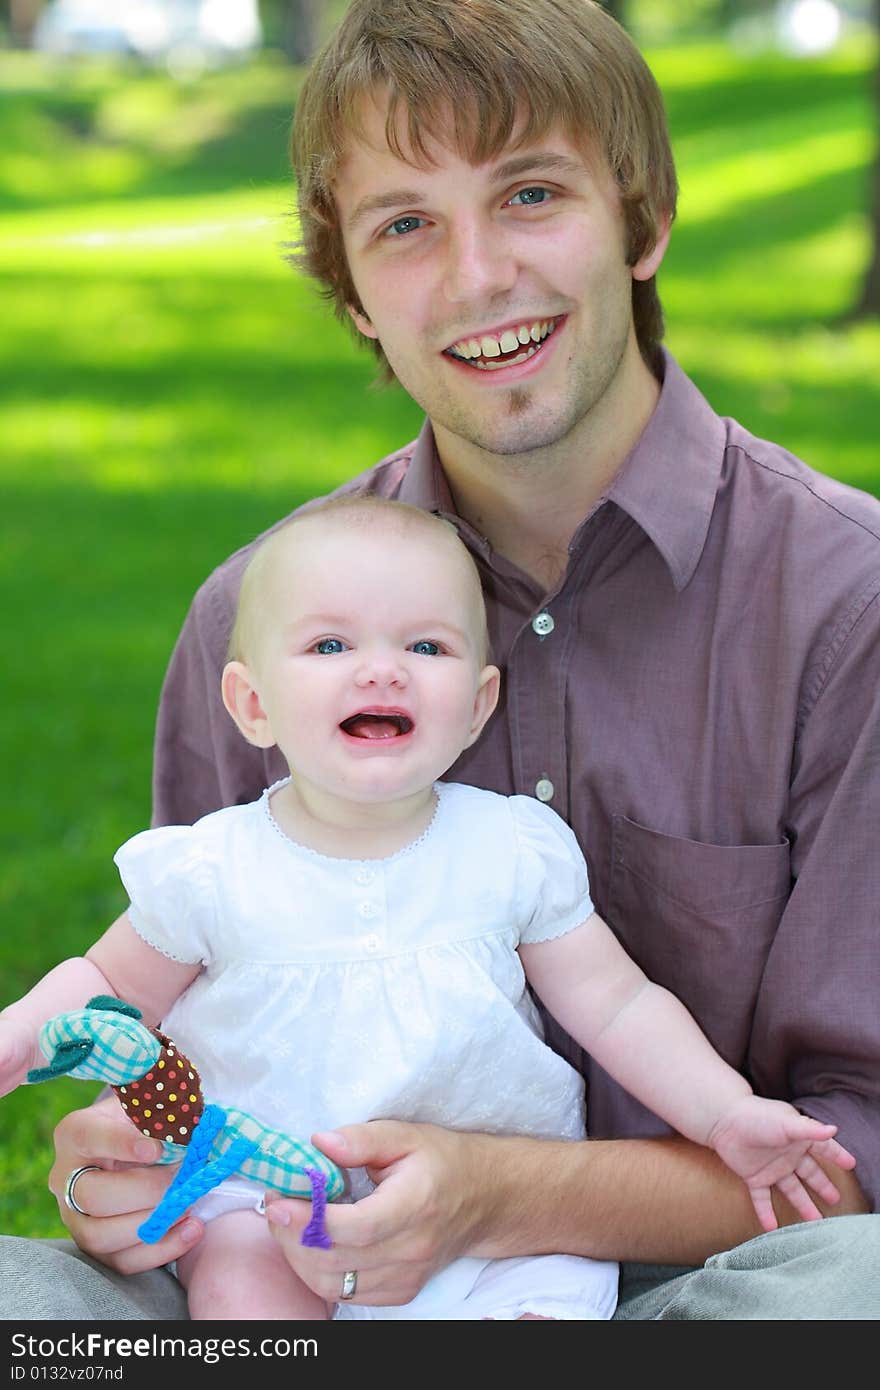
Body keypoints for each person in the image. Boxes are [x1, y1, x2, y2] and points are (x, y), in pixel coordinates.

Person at [1, 0, 878, 1322]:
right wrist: (131, 1159)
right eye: (405, 223)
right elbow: (176, 1027)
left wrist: (498, 1191)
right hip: (291, 1277)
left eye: (529, 193)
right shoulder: (253, 621)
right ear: (349, 285)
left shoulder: (844, 602)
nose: (475, 276)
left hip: (703, 1286)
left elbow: (855, 1154)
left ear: (643, 222)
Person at [0, 496, 857, 1322]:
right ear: (252, 705)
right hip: (270, 1206)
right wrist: (22, 1030)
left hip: (500, 1227)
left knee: (546, 1292)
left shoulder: (511, 849)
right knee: (239, 1284)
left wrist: (724, 1113)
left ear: (477, 705)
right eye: (331, 644)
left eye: (426, 646)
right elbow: (108, 981)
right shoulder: (212, 868)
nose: (382, 668)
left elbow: (620, 1004)